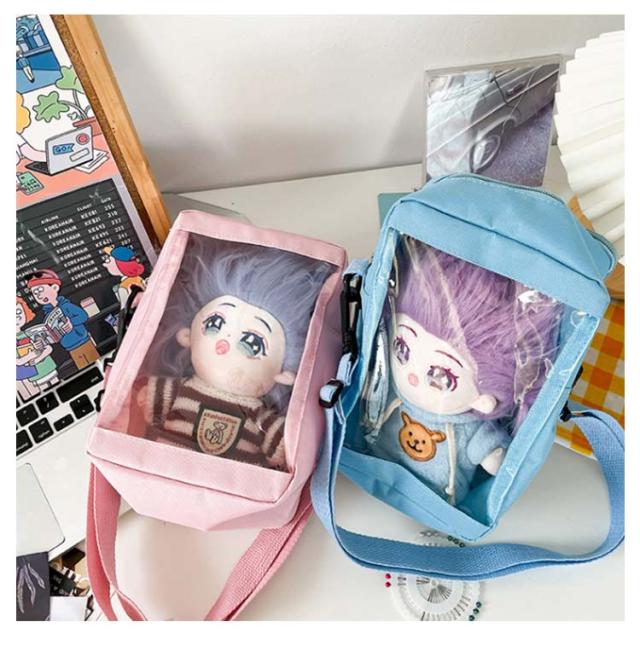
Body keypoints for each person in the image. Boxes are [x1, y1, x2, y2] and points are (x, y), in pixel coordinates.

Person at [27, 269, 100, 370]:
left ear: (55, 287)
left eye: (40, 290)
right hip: (69, 347)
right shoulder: (48, 316)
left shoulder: (66, 306)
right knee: (85, 368)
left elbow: (83, 315)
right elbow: (53, 336)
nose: (38, 295)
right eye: (35, 293)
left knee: (96, 363)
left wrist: (72, 322)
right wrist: (42, 342)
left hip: (83, 340)